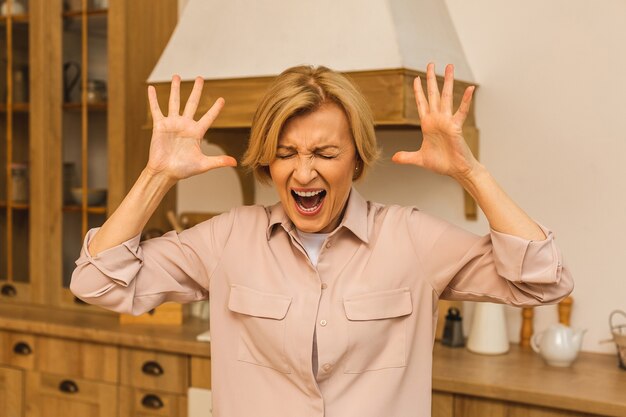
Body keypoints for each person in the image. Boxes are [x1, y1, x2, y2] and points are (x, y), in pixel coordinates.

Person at [71, 63, 573, 417]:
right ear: (268, 160)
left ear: (356, 159)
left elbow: (542, 282)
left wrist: (471, 173)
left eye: (325, 152)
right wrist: (157, 175)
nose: (304, 171)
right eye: (285, 152)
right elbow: (97, 283)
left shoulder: (411, 238)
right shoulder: (228, 238)